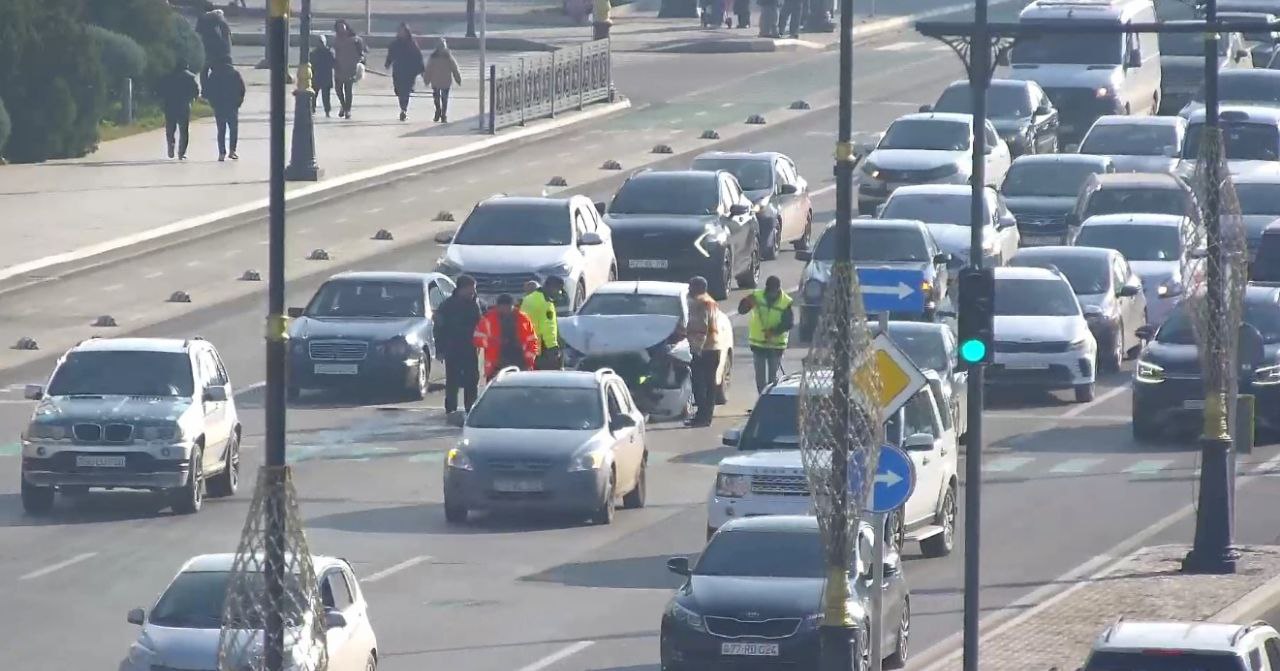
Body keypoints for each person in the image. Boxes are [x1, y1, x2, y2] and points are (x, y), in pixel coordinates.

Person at [434, 275, 484, 415]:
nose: (472, 292)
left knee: (472, 379)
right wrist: (440, 349)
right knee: (452, 381)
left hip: (470, 348)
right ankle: (451, 409)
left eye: (474, 289)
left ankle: (471, 408)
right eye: (470, 289)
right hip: (453, 348)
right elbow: (438, 328)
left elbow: (481, 325)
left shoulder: (475, 304)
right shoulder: (447, 306)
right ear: (461, 289)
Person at [738, 275, 793, 392]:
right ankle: (762, 400)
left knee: (773, 378)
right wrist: (747, 302)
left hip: (776, 345)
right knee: (760, 378)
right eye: (769, 290)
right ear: (766, 288)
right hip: (758, 344)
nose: (771, 293)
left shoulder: (785, 301)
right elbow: (741, 310)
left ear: (778, 289)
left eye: (774, 291)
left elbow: (788, 323)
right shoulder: (757, 296)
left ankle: (771, 399)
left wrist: (773, 332)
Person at [686, 276, 725, 427]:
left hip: (704, 349)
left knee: (699, 384)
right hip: (715, 347)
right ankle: (706, 416)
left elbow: (700, 328)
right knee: (710, 385)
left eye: (691, 287)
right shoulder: (710, 301)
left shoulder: (699, 303)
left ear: (697, 288)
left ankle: (702, 416)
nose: (689, 289)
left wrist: (696, 349)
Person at [474, 294, 540, 381]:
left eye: (508, 307)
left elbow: (532, 340)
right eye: (503, 307)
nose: (506, 310)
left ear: (513, 306)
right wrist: (494, 342)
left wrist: (529, 360)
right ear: (498, 307)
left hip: (520, 361)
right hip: (496, 363)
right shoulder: (488, 319)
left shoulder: (523, 319)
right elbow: (477, 339)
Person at [158, 60, 200, 160]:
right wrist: (192, 99)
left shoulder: (168, 77)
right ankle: (181, 152)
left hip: (170, 105)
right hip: (184, 106)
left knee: (170, 128)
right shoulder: (190, 77)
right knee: (184, 130)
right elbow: (196, 91)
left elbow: (162, 91)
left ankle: (171, 146)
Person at [204, 59, 245, 161]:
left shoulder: (214, 75)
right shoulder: (235, 74)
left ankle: (221, 152)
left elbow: (209, 90)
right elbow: (242, 89)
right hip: (232, 105)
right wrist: (238, 102)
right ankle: (232, 151)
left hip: (219, 106)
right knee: (233, 129)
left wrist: (213, 103)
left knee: (221, 130)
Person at [522, 276, 565, 370]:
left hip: (527, 347)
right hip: (541, 350)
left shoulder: (529, 298)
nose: (559, 293)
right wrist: (553, 349)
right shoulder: (545, 303)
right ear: (551, 287)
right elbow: (548, 328)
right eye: (558, 289)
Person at [385, 23, 425, 122]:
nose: (401, 33)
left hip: (409, 71)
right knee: (398, 90)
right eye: (400, 31)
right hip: (398, 70)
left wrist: (422, 70)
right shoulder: (394, 44)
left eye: (403, 31)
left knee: (405, 91)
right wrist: (387, 63)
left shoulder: (412, 44)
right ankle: (403, 106)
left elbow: (418, 57)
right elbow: (390, 55)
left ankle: (404, 110)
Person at [333, 19, 367, 119]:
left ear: (347, 27)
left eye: (343, 27)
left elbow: (362, 53)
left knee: (348, 90)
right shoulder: (336, 40)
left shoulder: (356, 40)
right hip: (339, 67)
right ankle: (343, 106)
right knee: (338, 89)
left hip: (350, 68)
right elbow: (334, 52)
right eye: (339, 28)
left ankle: (347, 110)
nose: (341, 30)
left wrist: (360, 62)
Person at [425, 37, 463, 123]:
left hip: (437, 82)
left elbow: (428, 70)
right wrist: (458, 79)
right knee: (443, 99)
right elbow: (455, 69)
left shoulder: (435, 57)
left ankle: (440, 112)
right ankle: (442, 114)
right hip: (444, 82)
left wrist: (426, 80)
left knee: (438, 98)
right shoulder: (447, 57)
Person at [195, 8, 231, 96]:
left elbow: (197, 36)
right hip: (218, 52)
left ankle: (205, 91)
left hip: (206, 50)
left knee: (204, 72)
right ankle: (217, 89)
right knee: (217, 71)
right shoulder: (222, 22)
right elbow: (227, 38)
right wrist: (227, 51)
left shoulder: (202, 20)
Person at [310, 34, 337, 117]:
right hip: (320, 76)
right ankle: (313, 109)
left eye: (321, 42)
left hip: (322, 76)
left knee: (325, 96)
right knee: (315, 95)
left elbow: (333, 64)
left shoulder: (316, 53)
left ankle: (326, 111)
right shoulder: (327, 52)